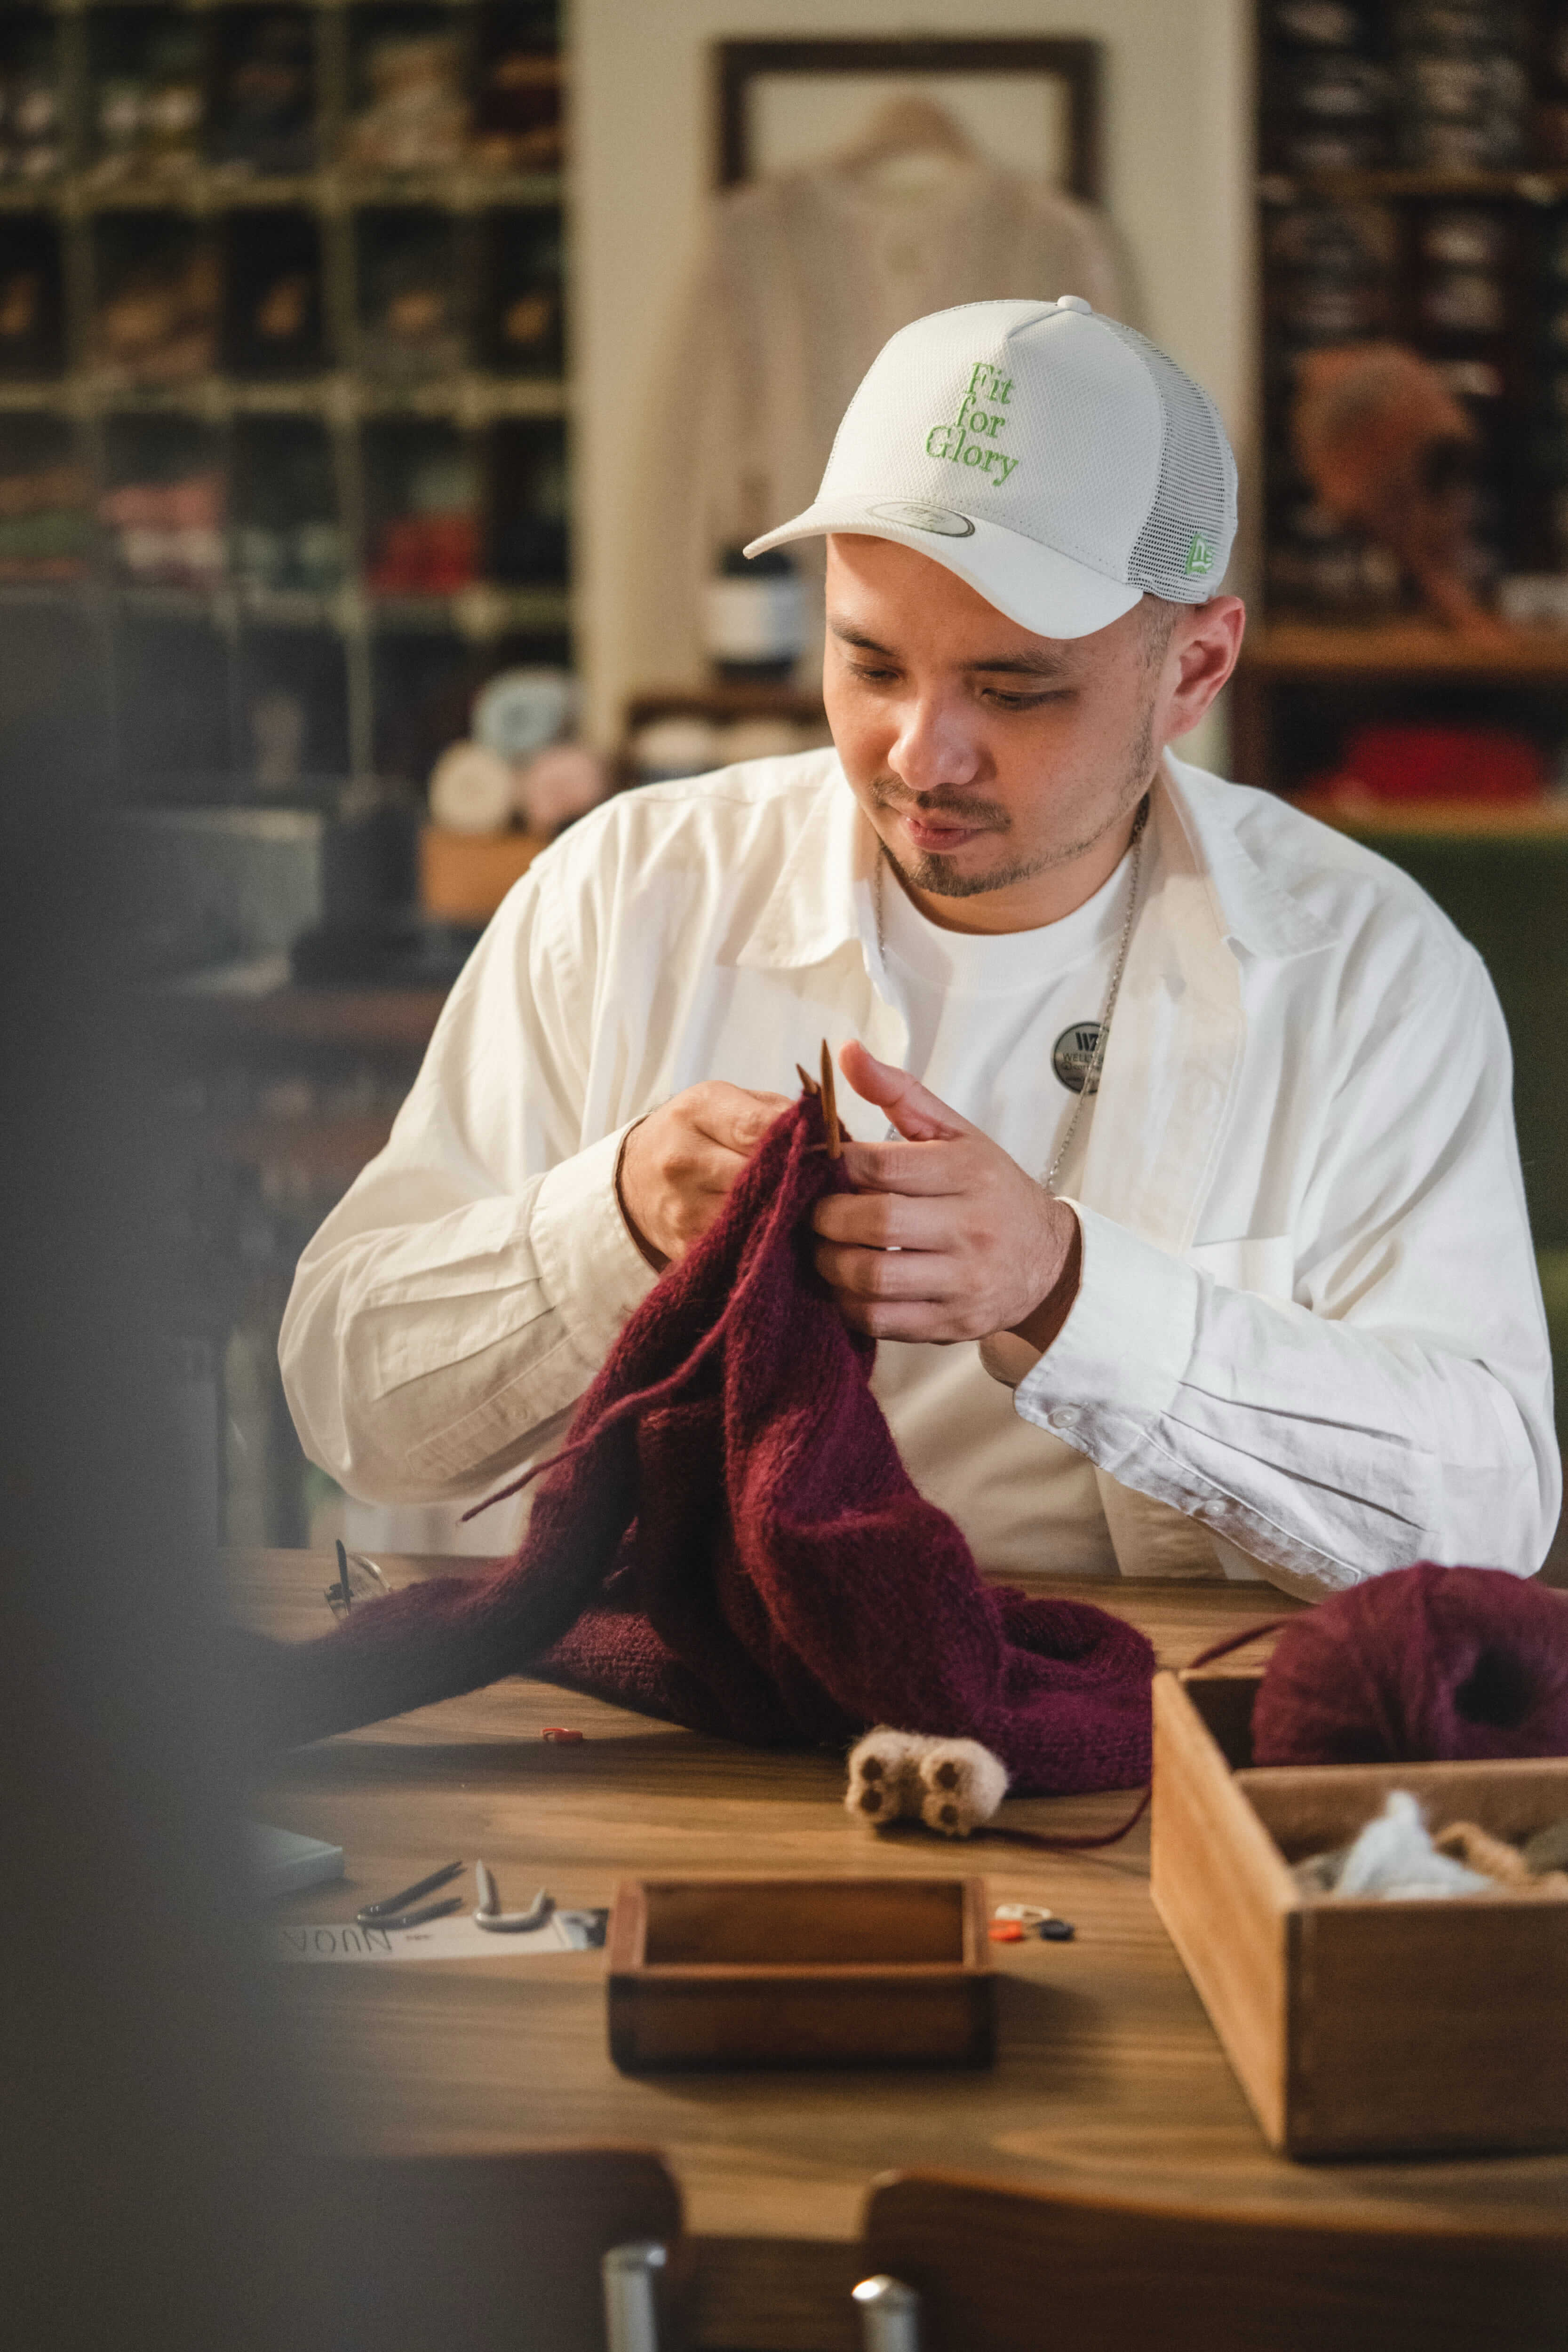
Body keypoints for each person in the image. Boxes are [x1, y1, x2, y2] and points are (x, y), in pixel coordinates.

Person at [280, 297, 1558, 1598]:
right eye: (872, 667)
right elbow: (347, 1403)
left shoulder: (1365, 973)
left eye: (1014, 690)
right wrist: (613, 1224)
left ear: (1193, 669)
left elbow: (1486, 1518)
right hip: (674, 1688)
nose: (922, 755)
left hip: (1138, 1698)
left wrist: (1068, 1291)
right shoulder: (625, 894)